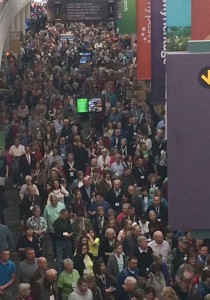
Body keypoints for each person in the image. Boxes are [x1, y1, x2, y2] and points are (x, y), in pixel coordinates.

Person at [53, 209, 73, 274]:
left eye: (67, 215)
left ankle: (67, 272)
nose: (66, 216)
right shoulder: (56, 222)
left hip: (68, 241)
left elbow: (70, 229)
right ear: (61, 214)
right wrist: (65, 235)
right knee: (59, 259)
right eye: (65, 215)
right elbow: (57, 233)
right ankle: (59, 273)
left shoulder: (68, 220)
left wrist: (70, 234)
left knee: (67, 258)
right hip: (59, 242)